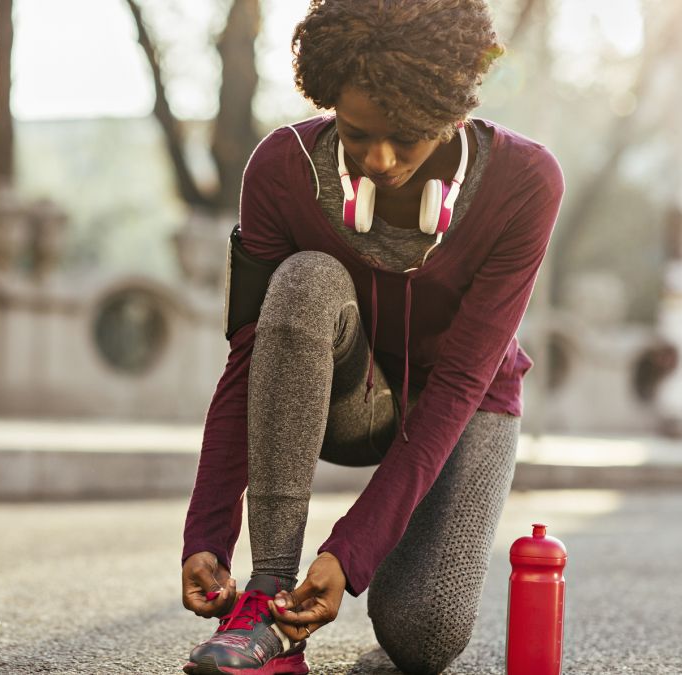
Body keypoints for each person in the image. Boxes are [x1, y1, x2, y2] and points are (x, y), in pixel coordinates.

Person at [178, 1, 565, 674]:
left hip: (463, 405)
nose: (381, 160)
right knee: (302, 283)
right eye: (357, 136)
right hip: (343, 394)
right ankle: (268, 608)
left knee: (425, 633)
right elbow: (248, 359)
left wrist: (352, 549)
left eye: (407, 136)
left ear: (453, 112)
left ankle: (404, 577)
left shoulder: (523, 182)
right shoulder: (282, 168)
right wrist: (207, 528)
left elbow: (457, 389)